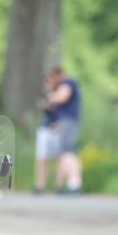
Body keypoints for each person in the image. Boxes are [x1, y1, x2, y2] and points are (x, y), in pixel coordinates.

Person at [43, 66, 83, 194]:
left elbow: (61, 97)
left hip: (68, 122)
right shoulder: (68, 84)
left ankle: (74, 184)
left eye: (54, 77)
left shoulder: (68, 82)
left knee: (66, 153)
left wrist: (50, 95)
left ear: (59, 75)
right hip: (66, 122)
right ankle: (74, 184)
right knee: (69, 153)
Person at [34, 73, 61, 194]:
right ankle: (40, 185)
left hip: (57, 129)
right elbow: (41, 105)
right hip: (45, 128)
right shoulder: (45, 94)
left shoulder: (61, 94)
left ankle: (58, 185)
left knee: (59, 158)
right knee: (42, 158)